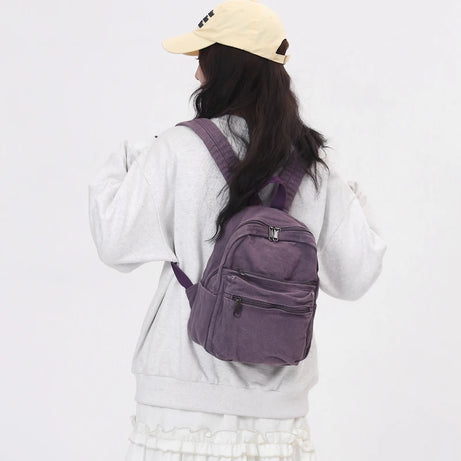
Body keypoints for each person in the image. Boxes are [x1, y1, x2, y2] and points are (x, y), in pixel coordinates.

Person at [87, 0, 388, 459]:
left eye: (202, 59)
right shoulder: (313, 166)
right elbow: (356, 275)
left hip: (180, 402)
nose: (196, 74)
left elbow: (115, 241)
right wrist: (354, 198)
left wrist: (123, 163)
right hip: (278, 413)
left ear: (225, 66)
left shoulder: (176, 149)